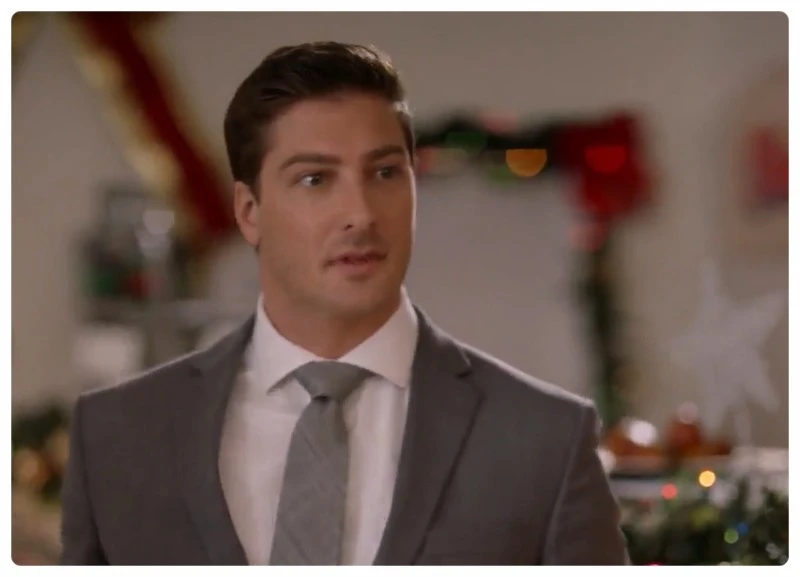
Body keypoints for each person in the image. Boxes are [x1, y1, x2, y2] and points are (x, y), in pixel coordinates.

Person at [60, 41, 628, 566]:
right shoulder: (119, 434)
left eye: (384, 173)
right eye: (315, 180)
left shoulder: (543, 438)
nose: (360, 213)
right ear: (250, 212)